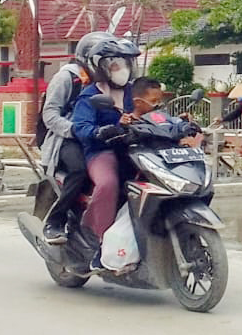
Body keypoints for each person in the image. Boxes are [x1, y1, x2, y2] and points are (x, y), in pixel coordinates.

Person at [38, 32, 131, 244]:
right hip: (67, 138)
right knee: (79, 171)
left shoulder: (115, 81)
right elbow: (50, 114)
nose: (114, 65)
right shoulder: (68, 77)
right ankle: (56, 221)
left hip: (103, 138)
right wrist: (78, 130)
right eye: (108, 60)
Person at [73, 68, 158, 270]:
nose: (121, 70)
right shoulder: (91, 95)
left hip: (134, 150)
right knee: (108, 183)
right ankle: (100, 242)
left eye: (123, 64)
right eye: (115, 65)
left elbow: (153, 115)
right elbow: (81, 128)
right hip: (102, 150)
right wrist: (105, 130)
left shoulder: (134, 90)